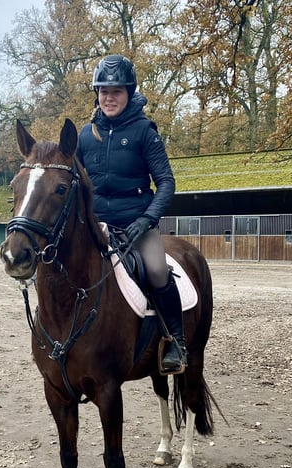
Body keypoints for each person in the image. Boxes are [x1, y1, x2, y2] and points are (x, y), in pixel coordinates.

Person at [76, 54, 187, 373]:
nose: (109, 98)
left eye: (117, 91)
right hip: (96, 227)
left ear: (129, 93)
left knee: (156, 270)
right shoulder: (85, 136)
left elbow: (166, 182)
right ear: (97, 94)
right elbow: (74, 183)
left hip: (138, 225)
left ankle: (175, 342)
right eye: (104, 91)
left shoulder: (144, 132)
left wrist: (147, 220)